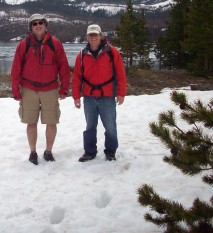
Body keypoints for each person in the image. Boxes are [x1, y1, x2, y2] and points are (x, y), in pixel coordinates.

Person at [11, 13, 70, 165]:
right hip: (28, 89)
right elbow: (16, 69)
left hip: (50, 89)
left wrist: (64, 88)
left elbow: (63, 67)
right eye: (34, 23)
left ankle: (48, 151)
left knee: (51, 122)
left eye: (40, 23)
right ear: (31, 27)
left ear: (45, 25)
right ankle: (33, 152)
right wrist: (16, 91)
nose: (38, 25)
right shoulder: (24, 45)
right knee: (31, 123)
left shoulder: (55, 43)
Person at [72, 24, 127, 162]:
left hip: (107, 96)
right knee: (90, 126)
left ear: (101, 36)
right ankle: (89, 151)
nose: (93, 37)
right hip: (89, 97)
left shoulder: (112, 52)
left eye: (95, 34)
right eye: (91, 35)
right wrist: (76, 96)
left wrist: (121, 93)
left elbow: (120, 74)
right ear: (87, 37)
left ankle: (110, 150)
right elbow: (77, 77)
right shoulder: (82, 55)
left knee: (110, 126)